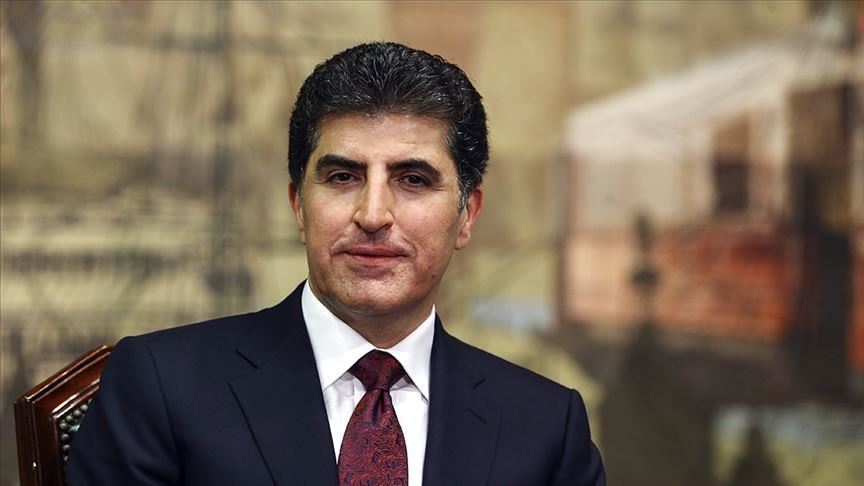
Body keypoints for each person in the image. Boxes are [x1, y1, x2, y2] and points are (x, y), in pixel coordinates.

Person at [66, 42, 605, 486]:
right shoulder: (161, 386)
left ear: (467, 214)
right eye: (343, 177)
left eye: (413, 179)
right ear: (299, 206)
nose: (373, 215)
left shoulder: (545, 427)